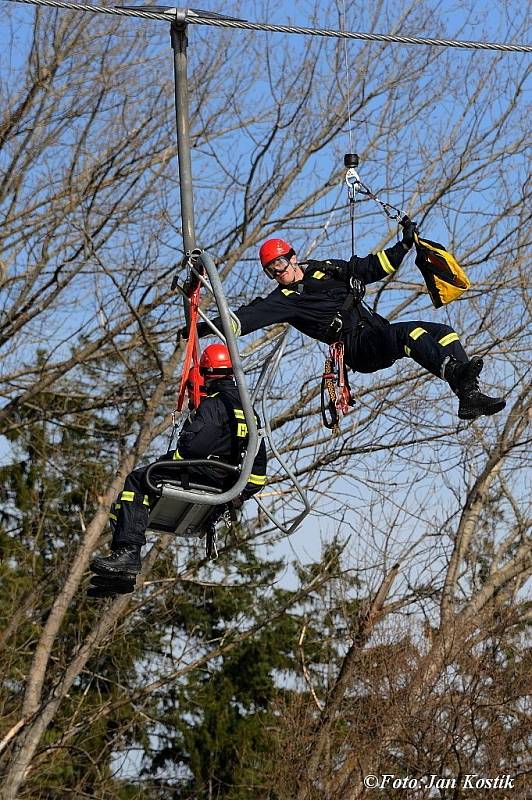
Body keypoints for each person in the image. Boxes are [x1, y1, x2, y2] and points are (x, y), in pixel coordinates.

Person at [184, 225, 505, 421]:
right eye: (270, 270)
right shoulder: (282, 300)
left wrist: (404, 245)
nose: (277, 272)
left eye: (279, 264)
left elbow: (370, 267)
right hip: (356, 347)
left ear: (293, 258)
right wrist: (196, 327)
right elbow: (241, 321)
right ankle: (455, 372)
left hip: (376, 330)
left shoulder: (326, 269)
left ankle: (468, 395)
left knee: (444, 333)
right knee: (410, 334)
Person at [90, 344, 267, 584]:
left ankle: (128, 553)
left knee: (136, 482)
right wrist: (237, 494)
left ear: (206, 373)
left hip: (200, 475)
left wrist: (171, 456)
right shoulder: (250, 411)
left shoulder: (214, 404)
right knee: (131, 500)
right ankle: (122, 571)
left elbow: (191, 449)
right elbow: (258, 473)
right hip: (223, 485)